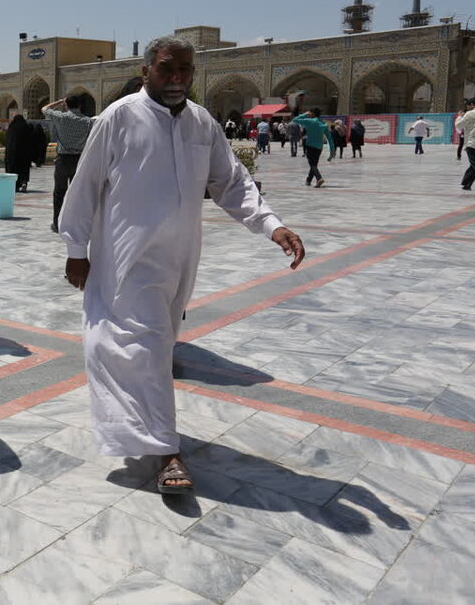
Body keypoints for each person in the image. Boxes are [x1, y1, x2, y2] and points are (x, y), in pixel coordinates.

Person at [59, 35, 304, 494]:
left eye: (185, 71)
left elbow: (231, 181)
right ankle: (166, 452)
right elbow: (85, 183)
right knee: (148, 347)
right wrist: (76, 248)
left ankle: (142, 424)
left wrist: (272, 225)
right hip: (127, 257)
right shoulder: (119, 117)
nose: (177, 79)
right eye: (168, 69)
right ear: (146, 69)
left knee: (156, 346)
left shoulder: (200, 122)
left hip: (180, 259)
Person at [41, 93, 95, 233]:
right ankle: (76, 224)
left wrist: (59, 101)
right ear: (80, 105)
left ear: (66, 105)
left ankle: (57, 223)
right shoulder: (88, 121)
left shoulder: (62, 118)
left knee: (59, 192)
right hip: (79, 160)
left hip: (63, 160)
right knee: (77, 194)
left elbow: (44, 109)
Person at [291, 108, 334, 187]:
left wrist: (305, 114)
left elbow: (295, 119)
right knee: (314, 165)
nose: (309, 114)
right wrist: (332, 152)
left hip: (310, 146)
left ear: (313, 114)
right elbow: (330, 139)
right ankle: (308, 180)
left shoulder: (309, 121)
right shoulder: (323, 124)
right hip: (319, 148)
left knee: (312, 165)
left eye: (310, 113)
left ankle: (319, 178)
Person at [4, 114, 35, 193]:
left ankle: (15, 185)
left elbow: (7, 141)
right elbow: (31, 140)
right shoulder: (26, 127)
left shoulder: (11, 128)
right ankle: (24, 182)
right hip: (24, 154)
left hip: (12, 154)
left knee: (13, 169)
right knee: (24, 169)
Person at [457, 98, 475, 191]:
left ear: (472, 104)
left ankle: (467, 183)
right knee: (474, 165)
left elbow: (459, 125)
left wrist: (460, 116)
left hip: (473, 143)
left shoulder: (471, 113)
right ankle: (467, 183)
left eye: (467, 105)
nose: (467, 107)